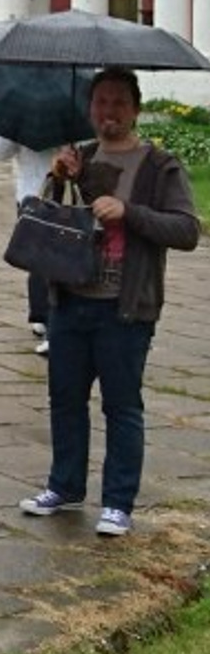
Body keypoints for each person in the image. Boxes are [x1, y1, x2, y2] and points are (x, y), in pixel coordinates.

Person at [19, 67, 200, 537]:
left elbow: (186, 230)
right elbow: (48, 221)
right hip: (70, 300)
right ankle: (64, 486)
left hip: (124, 307)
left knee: (121, 406)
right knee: (65, 400)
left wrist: (130, 212)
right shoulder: (79, 157)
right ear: (90, 108)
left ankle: (118, 502)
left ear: (135, 108)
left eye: (119, 102)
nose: (109, 111)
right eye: (101, 102)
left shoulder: (159, 166)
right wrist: (57, 181)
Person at [0, 136, 56, 355]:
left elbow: (1, 153)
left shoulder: (21, 120)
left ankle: (46, 319)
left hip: (38, 196)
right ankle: (44, 316)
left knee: (42, 261)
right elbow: (1, 153)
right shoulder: (72, 114)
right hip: (42, 197)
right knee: (48, 261)